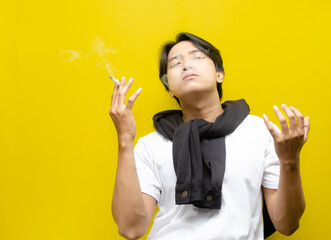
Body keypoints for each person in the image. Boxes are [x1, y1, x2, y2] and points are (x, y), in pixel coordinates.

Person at [110, 32, 310, 240]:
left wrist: (290, 161)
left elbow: (286, 224)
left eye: (197, 57)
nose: (186, 65)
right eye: (175, 63)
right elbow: (131, 229)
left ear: (219, 74)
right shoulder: (150, 145)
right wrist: (124, 139)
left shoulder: (259, 131)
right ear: (169, 88)